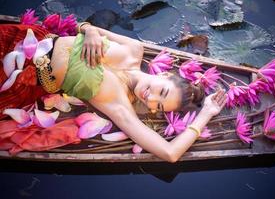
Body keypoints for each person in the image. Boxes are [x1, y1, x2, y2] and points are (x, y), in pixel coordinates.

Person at [0, 23, 227, 162]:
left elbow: (170, 153)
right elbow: (85, 26)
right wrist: (90, 32)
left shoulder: (119, 107)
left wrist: (205, 113)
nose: (151, 99)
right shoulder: (133, 49)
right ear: (165, 76)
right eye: (162, 93)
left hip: (17, 80)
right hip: (24, 40)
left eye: (157, 106)